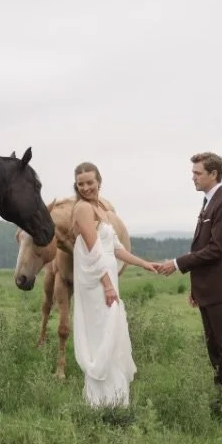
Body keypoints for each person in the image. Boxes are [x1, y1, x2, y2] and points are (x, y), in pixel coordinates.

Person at [157, 151, 222, 412]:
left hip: (221, 289)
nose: (193, 178)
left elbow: (216, 249)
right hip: (209, 290)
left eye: (198, 173)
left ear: (213, 174)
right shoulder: (209, 202)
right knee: (215, 349)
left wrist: (176, 263)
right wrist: (197, 289)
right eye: (193, 173)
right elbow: (205, 248)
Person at [70, 161, 160, 408]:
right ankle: (100, 401)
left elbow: (115, 248)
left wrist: (145, 264)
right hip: (96, 281)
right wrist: (108, 284)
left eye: (90, 182)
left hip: (106, 277)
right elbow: (94, 250)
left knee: (114, 331)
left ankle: (116, 399)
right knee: (102, 332)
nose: (86, 187)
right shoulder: (82, 210)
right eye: (81, 184)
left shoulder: (102, 208)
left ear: (99, 180)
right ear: (77, 186)